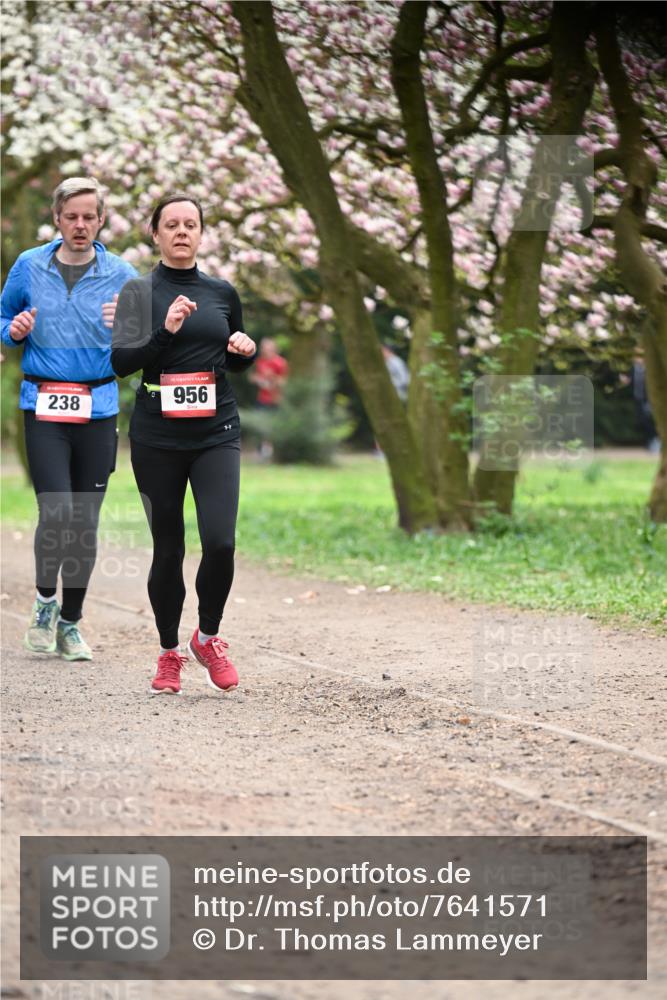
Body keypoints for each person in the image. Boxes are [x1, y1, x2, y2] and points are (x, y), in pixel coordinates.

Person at [111, 193, 257, 696]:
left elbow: (231, 353)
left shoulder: (222, 292)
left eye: (190, 224)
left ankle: (207, 638)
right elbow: (121, 363)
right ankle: (169, 651)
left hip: (217, 430)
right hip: (157, 435)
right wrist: (166, 330)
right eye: (171, 224)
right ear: (155, 234)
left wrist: (243, 351)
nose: (181, 231)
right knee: (168, 546)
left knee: (221, 541)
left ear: (201, 233)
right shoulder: (138, 292)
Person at [0, 177, 137, 660]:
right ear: (57, 218)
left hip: (98, 406)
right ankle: (44, 603)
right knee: (57, 510)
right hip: (43, 404)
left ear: (101, 221)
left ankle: (71, 623)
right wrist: (14, 331)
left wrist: (128, 327)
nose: (80, 224)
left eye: (89, 217)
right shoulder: (28, 265)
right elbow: (3, 319)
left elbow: (145, 341)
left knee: (85, 522)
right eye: (71, 216)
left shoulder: (122, 273)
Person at [249, 337, 288, 460]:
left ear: (274, 348)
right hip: (262, 398)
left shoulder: (280, 362)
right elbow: (252, 376)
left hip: (275, 399)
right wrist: (258, 380)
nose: (265, 349)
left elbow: (284, 381)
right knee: (260, 425)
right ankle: (261, 452)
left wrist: (272, 380)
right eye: (263, 347)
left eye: (268, 347)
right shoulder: (260, 361)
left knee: (274, 427)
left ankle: (274, 452)